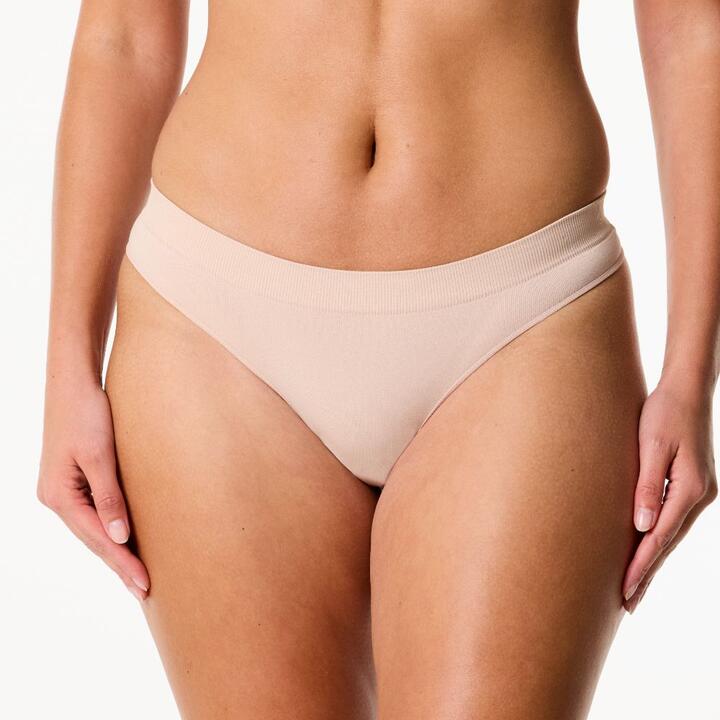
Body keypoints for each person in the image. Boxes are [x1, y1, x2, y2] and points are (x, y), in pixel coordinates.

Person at [38, 1, 719, 717]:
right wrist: (66, 367)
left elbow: (690, 31)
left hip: (526, 312)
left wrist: (692, 375)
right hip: (215, 318)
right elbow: (124, 36)